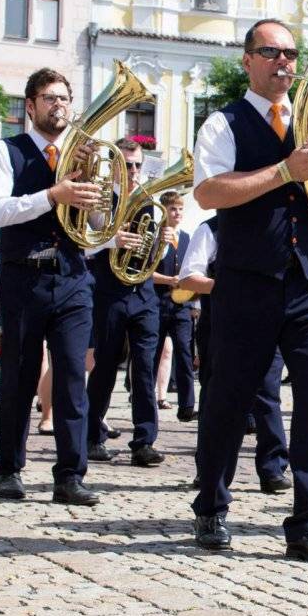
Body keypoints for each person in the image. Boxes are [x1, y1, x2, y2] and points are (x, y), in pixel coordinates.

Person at [191, 17, 308, 564]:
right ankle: (211, 506)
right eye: (271, 52)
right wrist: (286, 170)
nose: (285, 62)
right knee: (228, 398)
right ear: (248, 61)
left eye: (291, 53)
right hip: (247, 280)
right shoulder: (224, 123)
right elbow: (209, 192)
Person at [0, 67, 101, 505]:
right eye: (50, 98)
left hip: (72, 276)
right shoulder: (7, 150)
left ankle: (70, 476)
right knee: (19, 374)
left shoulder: (81, 155)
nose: (59, 106)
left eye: (65, 98)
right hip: (23, 276)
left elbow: (98, 226)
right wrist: (53, 196)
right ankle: (9, 469)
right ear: (30, 106)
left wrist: (98, 200)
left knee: (72, 375)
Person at [178, 216, 291, 494]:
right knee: (218, 397)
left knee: (268, 394)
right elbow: (188, 277)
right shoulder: (211, 228)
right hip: (222, 322)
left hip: (267, 320)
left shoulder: (272, 227)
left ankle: (273, 469)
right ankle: (211, 470)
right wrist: (230, 286)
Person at [84, 138, 173, 466]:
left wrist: (163, 240)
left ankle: (144, 441)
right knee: (105, 364)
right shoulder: (100, 199)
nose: (134, 170)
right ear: (115, 167)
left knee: (145, 367)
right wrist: (113, 240)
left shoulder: (151, 200)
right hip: (110, 292)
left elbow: (153, 251)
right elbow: (85, 243)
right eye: (127, 164)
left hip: (144, 293)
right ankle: (91, 435)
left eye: (137, 164)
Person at [152, 191, 196, 422]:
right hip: (157, 303)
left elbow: (193, 269)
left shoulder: (187, 237)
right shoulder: (155, 236)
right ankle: (146, 400)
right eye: (172, 209)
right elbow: (146, 272)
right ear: (164, 211)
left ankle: (187, 405)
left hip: (181, 305)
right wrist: (169, 280)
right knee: (153, 354)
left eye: (180, 209)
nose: (177, 213)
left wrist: (194, 302)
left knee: (185, 354)